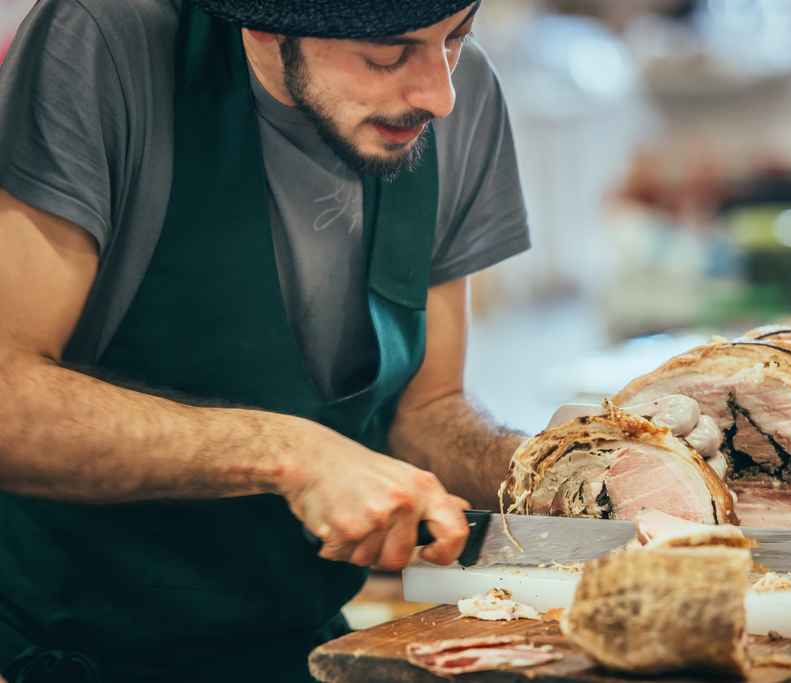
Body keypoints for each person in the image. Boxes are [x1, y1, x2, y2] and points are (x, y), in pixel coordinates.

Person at [0, 0, 530, 680]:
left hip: (297, 646)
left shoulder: (459, 96)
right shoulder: (108, 40)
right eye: (387, 53)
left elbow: (424, 416)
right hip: (65, 648)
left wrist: (563, 475)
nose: (440, 94)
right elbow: (10, 401)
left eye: (457, 37)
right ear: (265, 24)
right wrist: (289, 452)